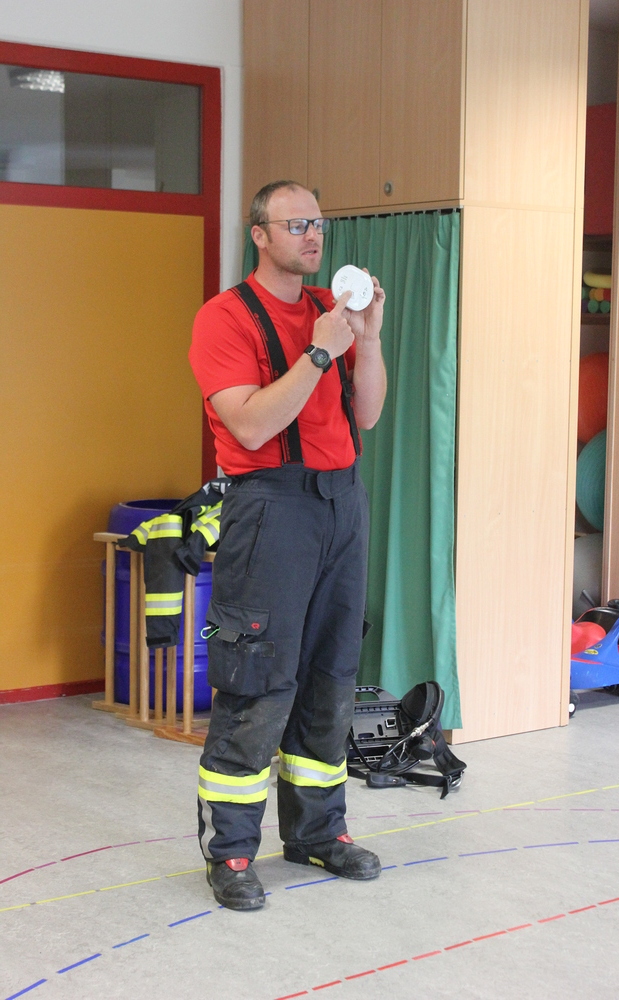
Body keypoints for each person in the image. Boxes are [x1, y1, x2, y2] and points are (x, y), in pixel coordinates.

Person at [189, 180, 387, 910]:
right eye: (296, 223)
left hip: (342, 504)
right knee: (258, 680)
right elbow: (248, 425)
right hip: (270, 509)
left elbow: (368, 414)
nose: (313, 235)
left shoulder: (329, 311)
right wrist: (318, 353)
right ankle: (233, 854)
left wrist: (366, 340)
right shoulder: (223, 318)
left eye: (318, 223)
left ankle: (317, 833)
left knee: (331, 676)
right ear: (259, 234)